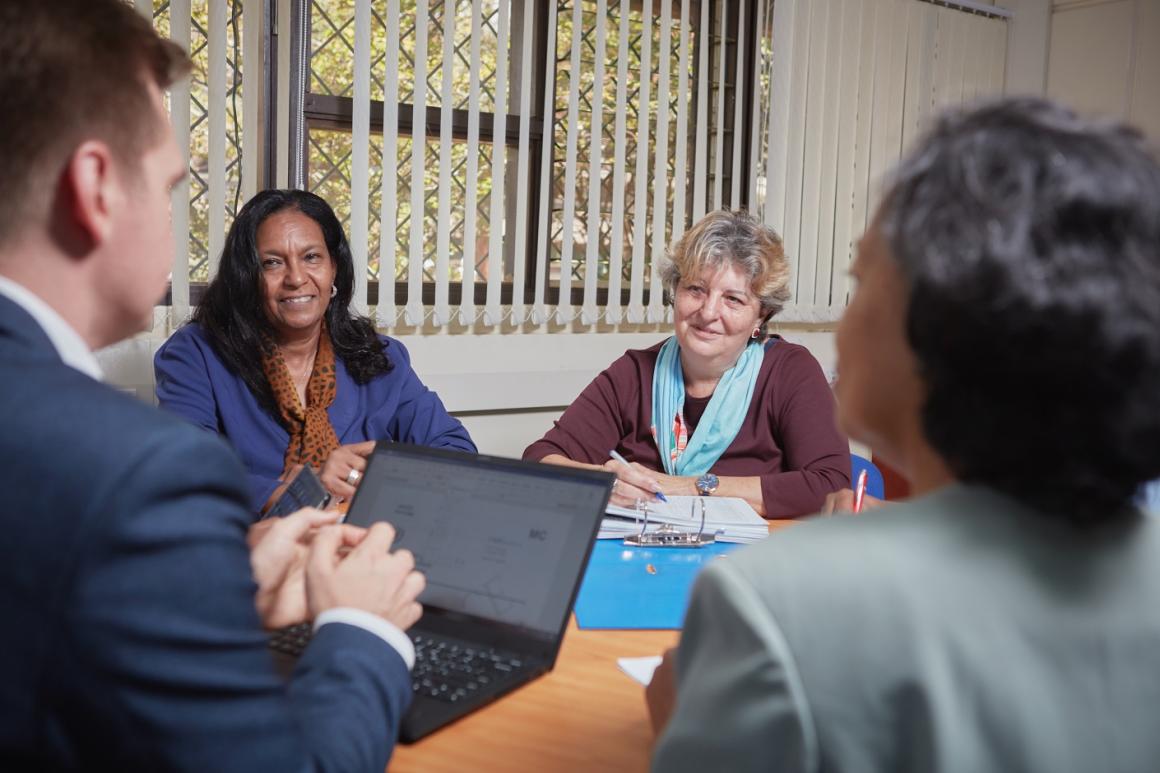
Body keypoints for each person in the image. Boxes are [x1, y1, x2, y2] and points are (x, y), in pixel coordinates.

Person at [647, 98, 1160, 771]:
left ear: (942, 331)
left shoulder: (771, 605)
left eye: (860, 282)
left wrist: (681, 720)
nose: (840, 324)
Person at [0, 1, 425, 768]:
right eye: (168, 184)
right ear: (96, 188)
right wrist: (361, 629)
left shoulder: (378, 357)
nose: (295, 277)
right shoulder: (145, 473)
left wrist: (221, 588)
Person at [155, 189, 475, 512]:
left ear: (333, 267)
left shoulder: (380, 356)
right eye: (272, 263)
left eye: (311, 257)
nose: (295, 278)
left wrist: (384, 468)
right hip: (255, 550)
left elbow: (458, 453)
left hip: (364, 546)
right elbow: (184, 470)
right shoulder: (196, 355)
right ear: (248, 277)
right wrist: (304, 490)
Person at [523, 211, 849, 518]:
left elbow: (831, 484)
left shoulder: (789, 372)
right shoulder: (634, 373)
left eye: (733, 299)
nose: (707, 313)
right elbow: (540, 461)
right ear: (675, 293)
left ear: (761, 315)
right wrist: (606, 480)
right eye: (696, 289)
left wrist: (691, 487)